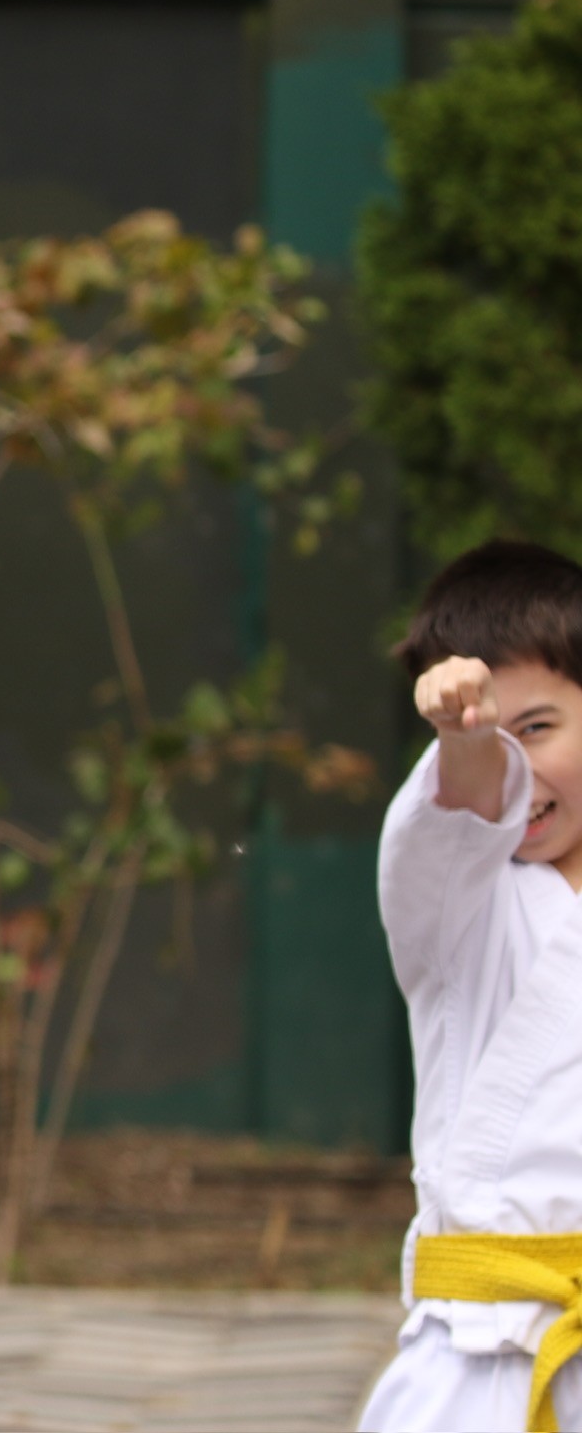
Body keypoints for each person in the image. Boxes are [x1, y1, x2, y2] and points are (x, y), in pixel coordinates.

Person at [361, 541, 582, 1433]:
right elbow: (468, 811)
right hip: (481, 1364)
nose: (516, 767)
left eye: (535, 729)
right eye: (488, 738)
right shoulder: (460, 902)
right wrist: (467, 741)